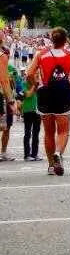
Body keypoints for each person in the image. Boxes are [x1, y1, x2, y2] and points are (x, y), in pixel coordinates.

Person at [27, 27, 70, 176]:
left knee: (49, 132)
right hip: (62, 93)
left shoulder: (41, 54)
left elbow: (29, 73)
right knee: (63, 131)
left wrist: (36, 84)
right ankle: (58, 153)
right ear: (65, 40)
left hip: (45, 93)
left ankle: (50, 165)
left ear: (51, 39)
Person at [0, 32, 17, 162]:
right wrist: (11, 100)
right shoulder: (2, 57)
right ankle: (3, 153)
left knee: (6, 126)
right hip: (1, 96)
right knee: (5, 126)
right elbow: (4, 80)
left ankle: (3, 152)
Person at [22, 78, 42, 160]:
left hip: (37, 111)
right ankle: (27, 155)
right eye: (35, 75)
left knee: (36, 134)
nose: (36, 77)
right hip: (27, 110)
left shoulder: (39, 85)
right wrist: (34, 85)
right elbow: (28, 95)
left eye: (37, 75)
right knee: (27, 133)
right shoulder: (24, 84)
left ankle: (34, 154)